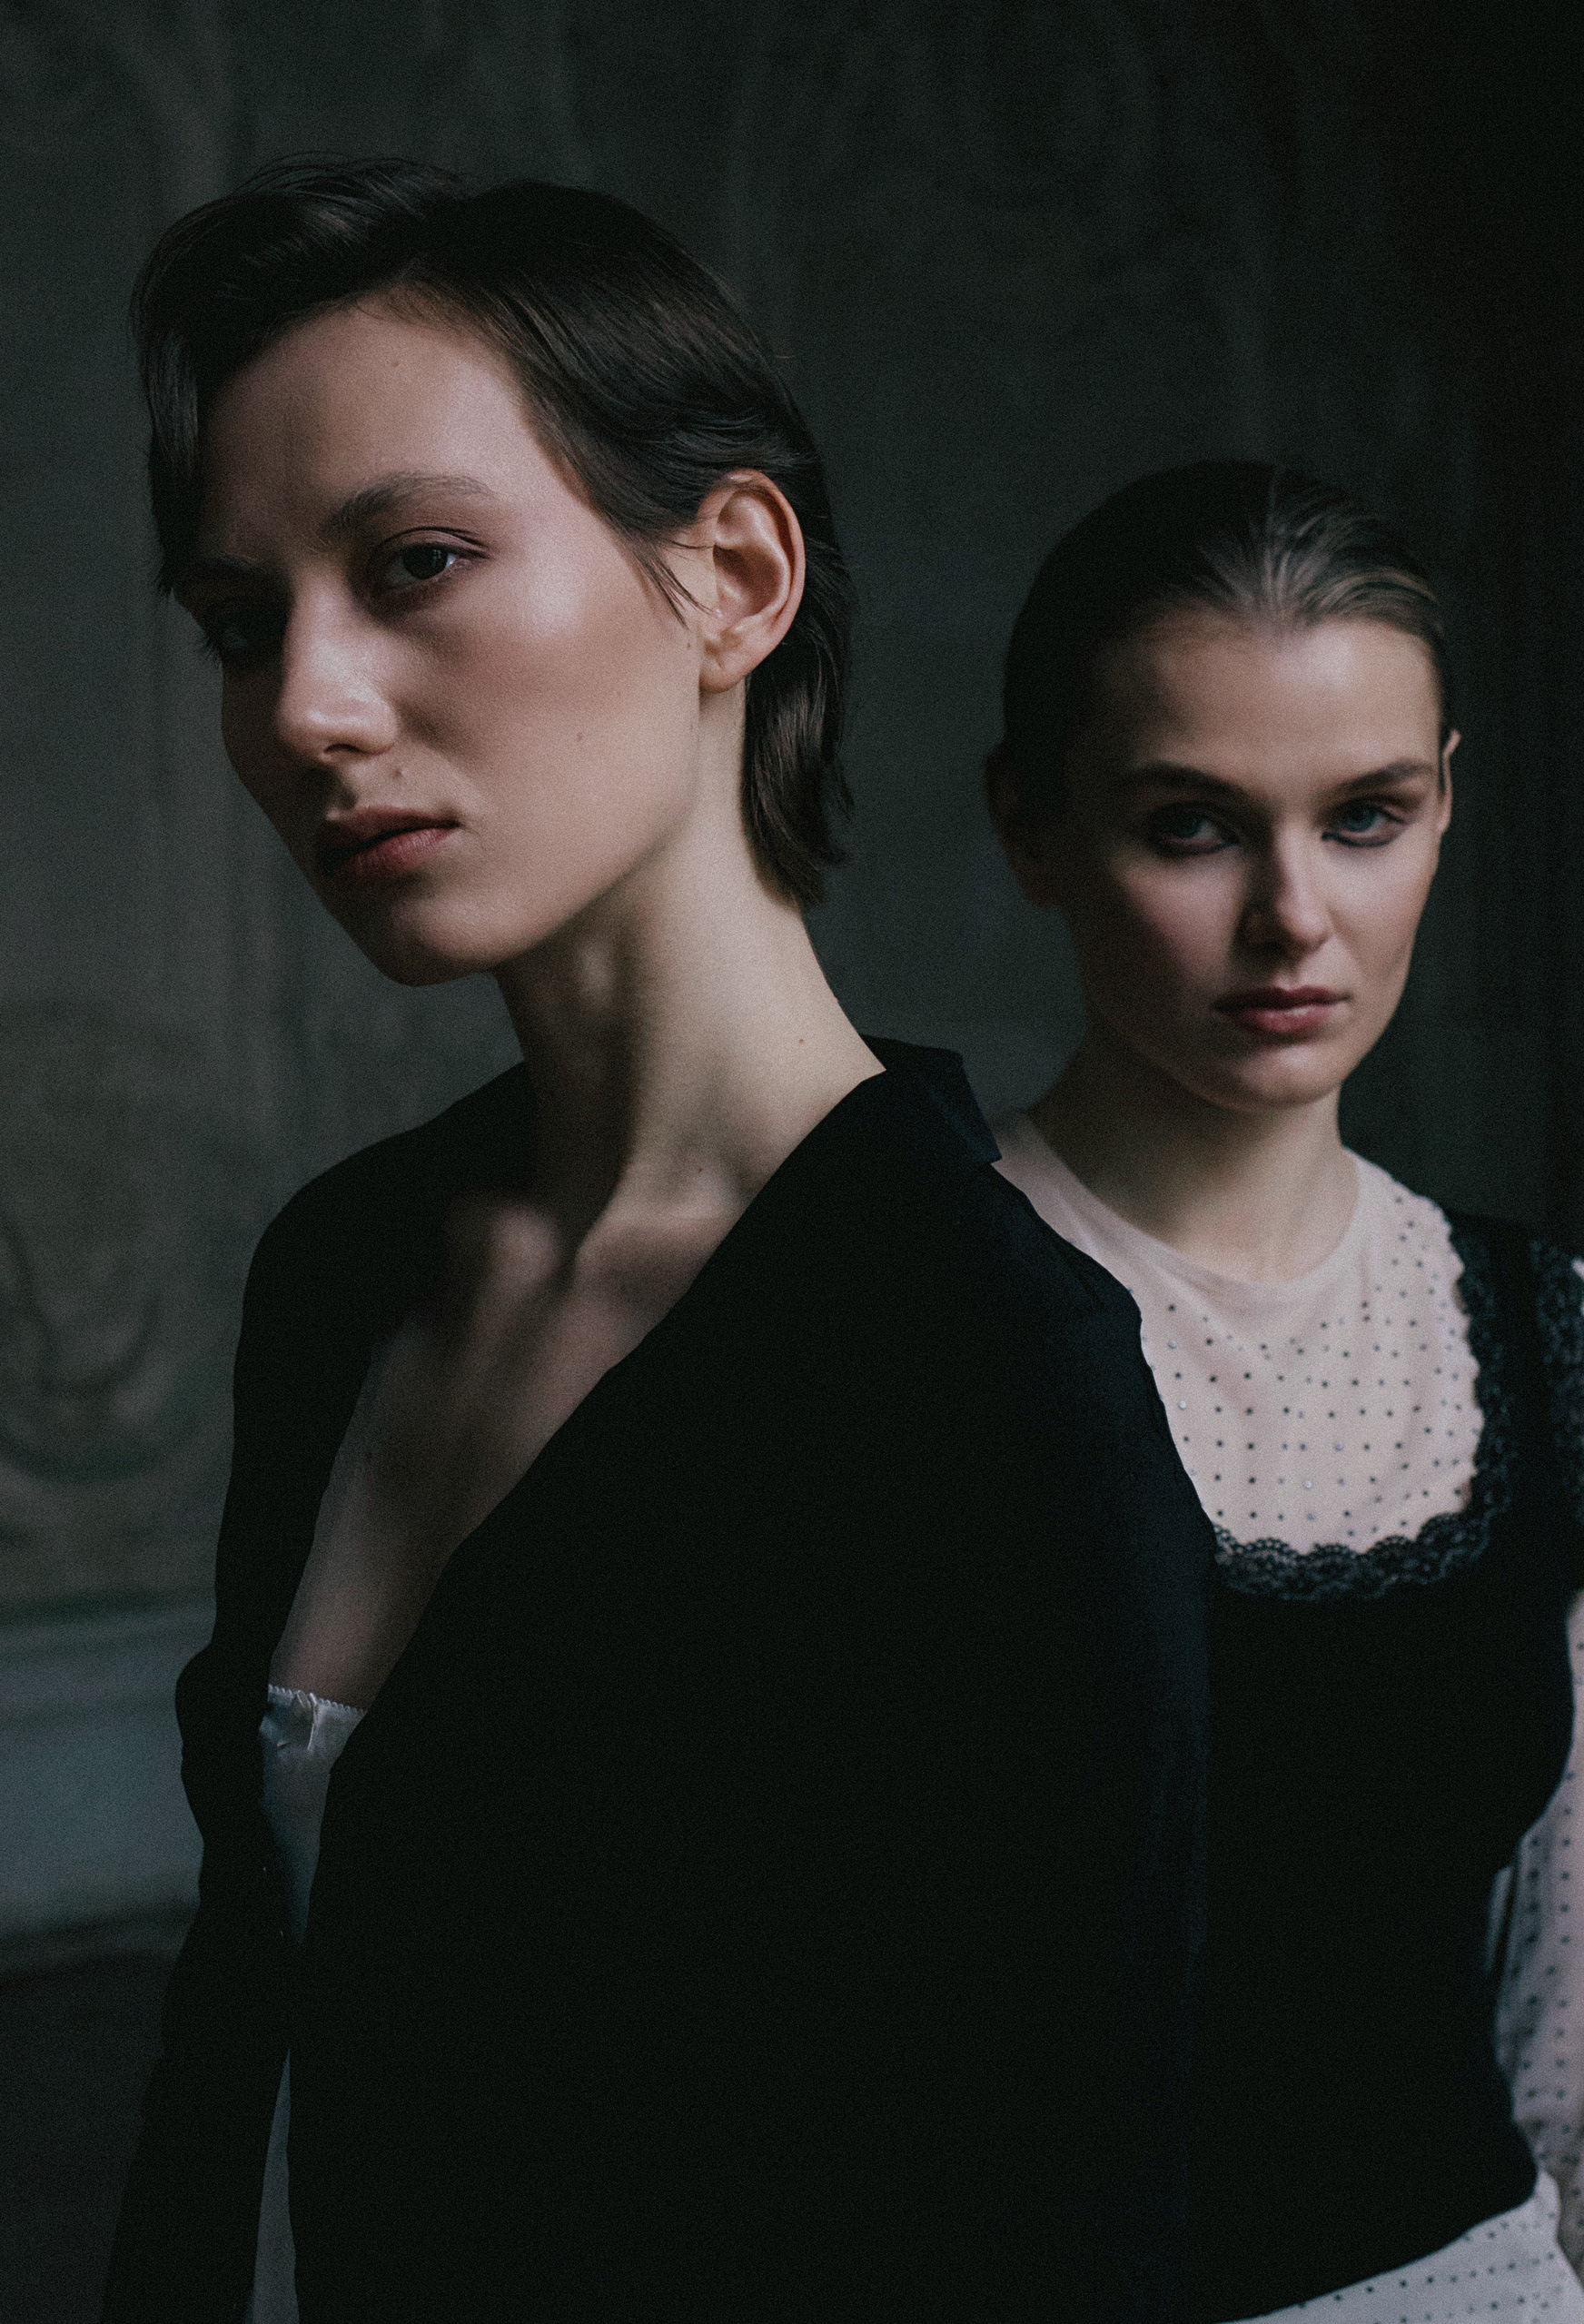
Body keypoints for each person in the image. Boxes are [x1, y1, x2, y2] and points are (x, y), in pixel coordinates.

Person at [102, 163, 1213, 2324]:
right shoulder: (345, 1267)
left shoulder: (989, 1370)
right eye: (242, 622)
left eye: (414, 563)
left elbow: (1051, 2230)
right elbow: (243, 2019)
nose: (306, 705)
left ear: (734, 576)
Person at [985, 462, 1584, 2324]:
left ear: (1446, 808)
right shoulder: (896, 1306)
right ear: (1034, 827)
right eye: (1192, 827)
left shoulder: (1568, 1346)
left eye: (1367, 817)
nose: (1294, 915)